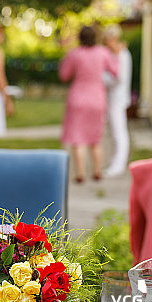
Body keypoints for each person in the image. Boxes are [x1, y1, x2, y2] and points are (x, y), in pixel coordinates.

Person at [59, 25, 119, 183]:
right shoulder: (103, 53)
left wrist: (65, 55)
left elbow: (64, 75)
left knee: (77, 138)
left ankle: (80, 173)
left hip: (78, 97)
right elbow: (115, 71)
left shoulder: (74, 54)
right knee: (95, 137)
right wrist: (116, 54)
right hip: (97, 98)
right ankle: (97, 170)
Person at [103, 24, 133, 177]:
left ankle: (119, 164)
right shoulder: (116, 53)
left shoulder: (121, 54)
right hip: (113, 98)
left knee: (118, 131)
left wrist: (101, 79)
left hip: (117, 98)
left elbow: (118, 77)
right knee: (113, 131)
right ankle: (115, 160)